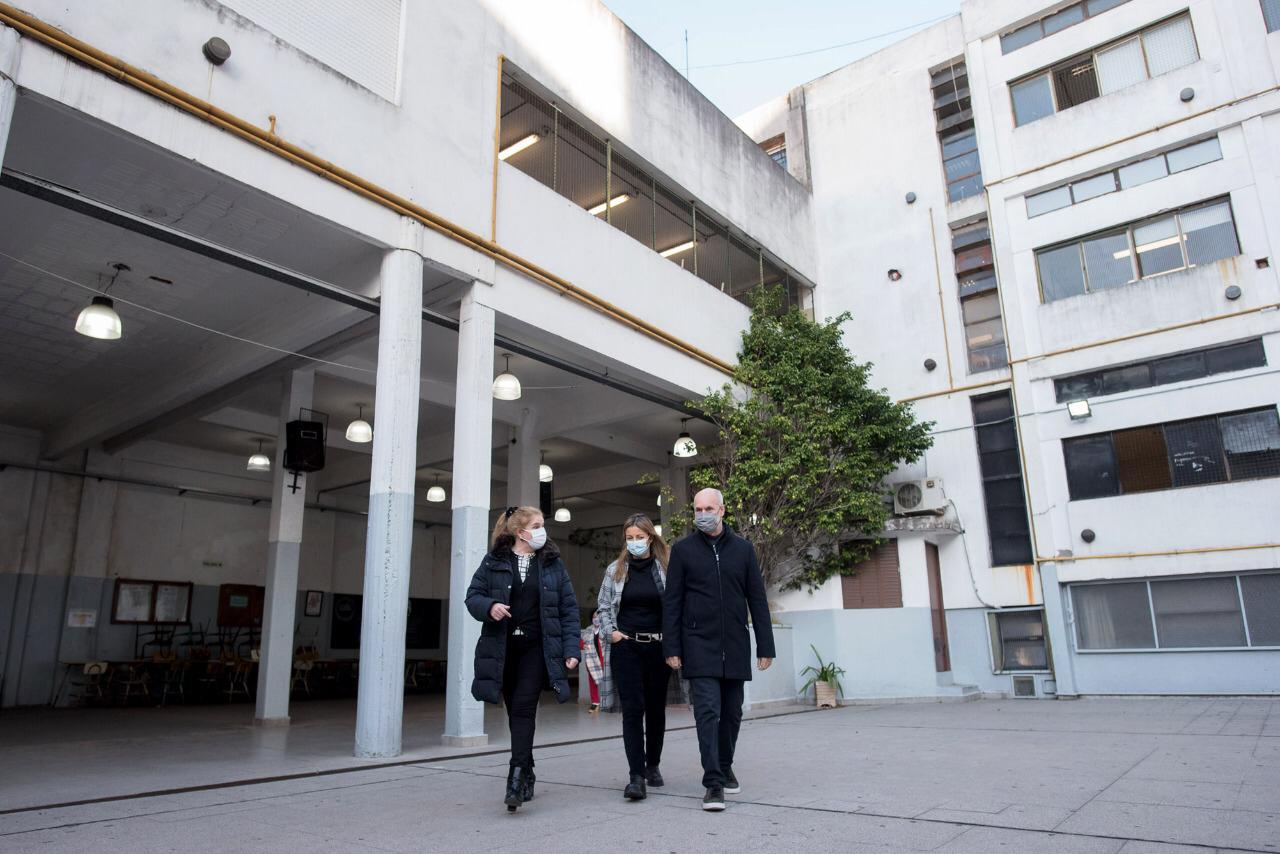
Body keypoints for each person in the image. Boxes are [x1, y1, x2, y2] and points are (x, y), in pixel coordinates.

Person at [663, 488, 775, 812]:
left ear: (722, 510)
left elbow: (756, 598)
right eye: (697, 509)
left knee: (732, 713)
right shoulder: (683, 551)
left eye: (708, 508)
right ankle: (713, 783)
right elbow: (672, 602)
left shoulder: (743, 550)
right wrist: (672, 646)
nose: (702, 514)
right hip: (698, 644)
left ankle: (725, 765)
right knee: (708, 712)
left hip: (735, 643)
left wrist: (765, 645)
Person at [466, 506, 580, 812]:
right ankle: (527, 768)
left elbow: (568, 610)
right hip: (503, 651)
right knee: (514, 710)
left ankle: (515, 777)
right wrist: (489, 606)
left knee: (524, 710)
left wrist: (571, 650)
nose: (544, 530)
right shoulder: (494, 562)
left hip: (536, 650)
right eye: (538, 525)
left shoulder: (553, 564)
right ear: (521, 532)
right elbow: (472, 596)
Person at [597, 513, 672, 801]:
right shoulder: (615, 570)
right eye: (630, 538)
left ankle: (652, 764)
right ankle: (636, 776)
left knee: (655, 709)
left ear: (650, 538)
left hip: (658, 648)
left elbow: (676, 606)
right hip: (626, 647)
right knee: (633, 709)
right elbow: (603, 607)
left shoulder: (666, 568)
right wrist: (611, 633)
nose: (635, 542)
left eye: (640, 537)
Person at [579, 611, 612, 714]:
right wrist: (583, 645)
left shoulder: (606, 629)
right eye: (594, 617)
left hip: (605, 659)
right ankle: (595, 703)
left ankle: (610, 703)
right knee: (592, 682)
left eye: (597, 617)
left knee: (609, 681)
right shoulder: (588, 630)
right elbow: (581, 642)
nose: (596, 619)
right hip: (592, 660)